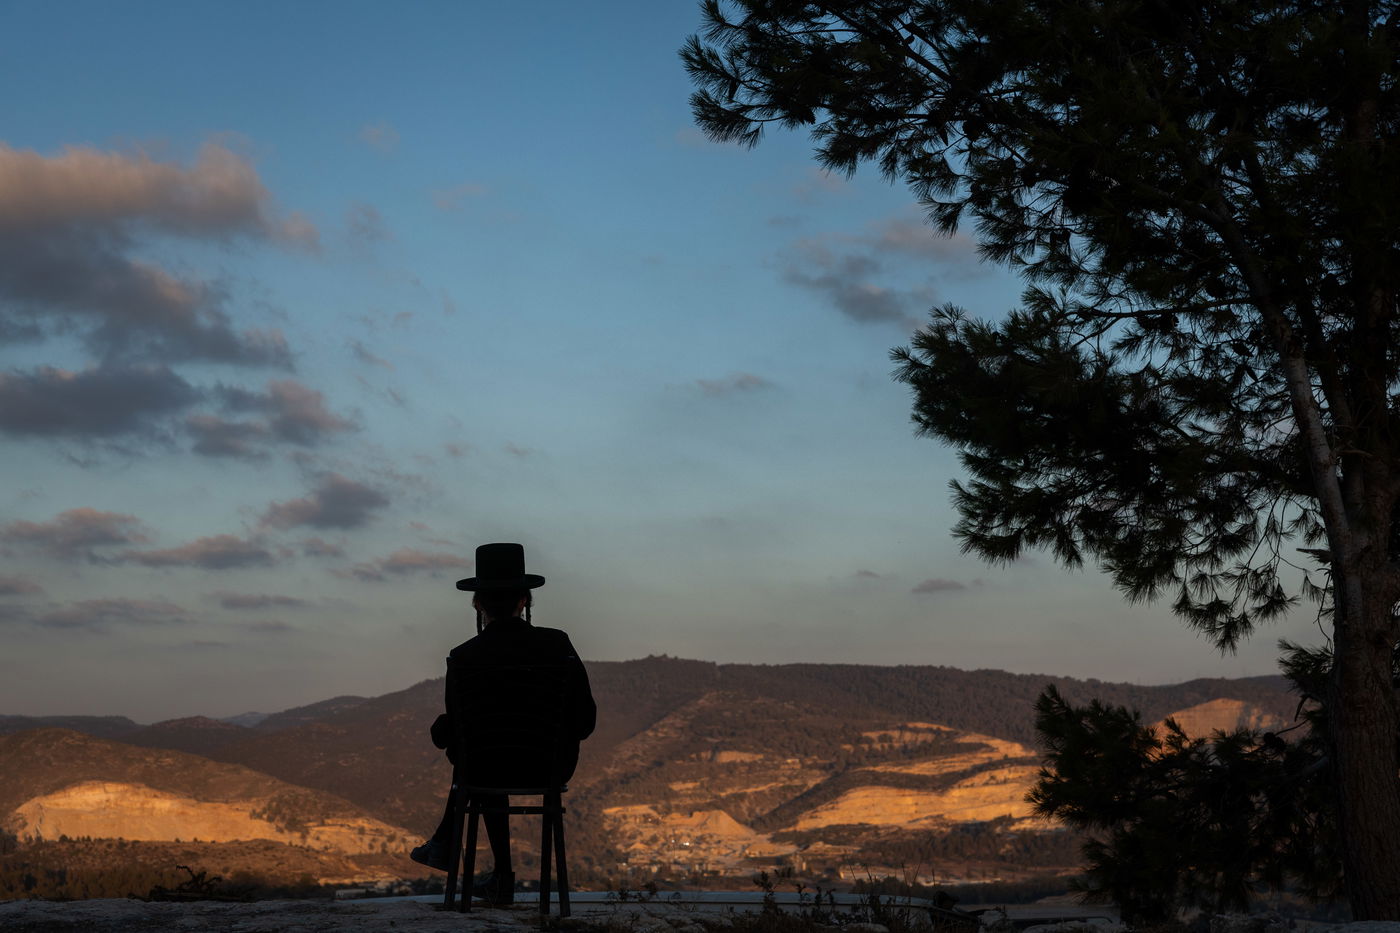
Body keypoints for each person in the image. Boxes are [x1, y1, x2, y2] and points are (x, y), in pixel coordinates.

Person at [410, 542, 596, 905]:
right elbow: (585, 721)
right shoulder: (558, 645)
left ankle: (477, 861)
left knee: (475, 759)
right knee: (479, 756)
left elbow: (453, 734)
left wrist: (443, 728)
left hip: (483, 770)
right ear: (524, 601)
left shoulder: (464, 657)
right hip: (549, 767)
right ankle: (467, 857)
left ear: (478, 604)